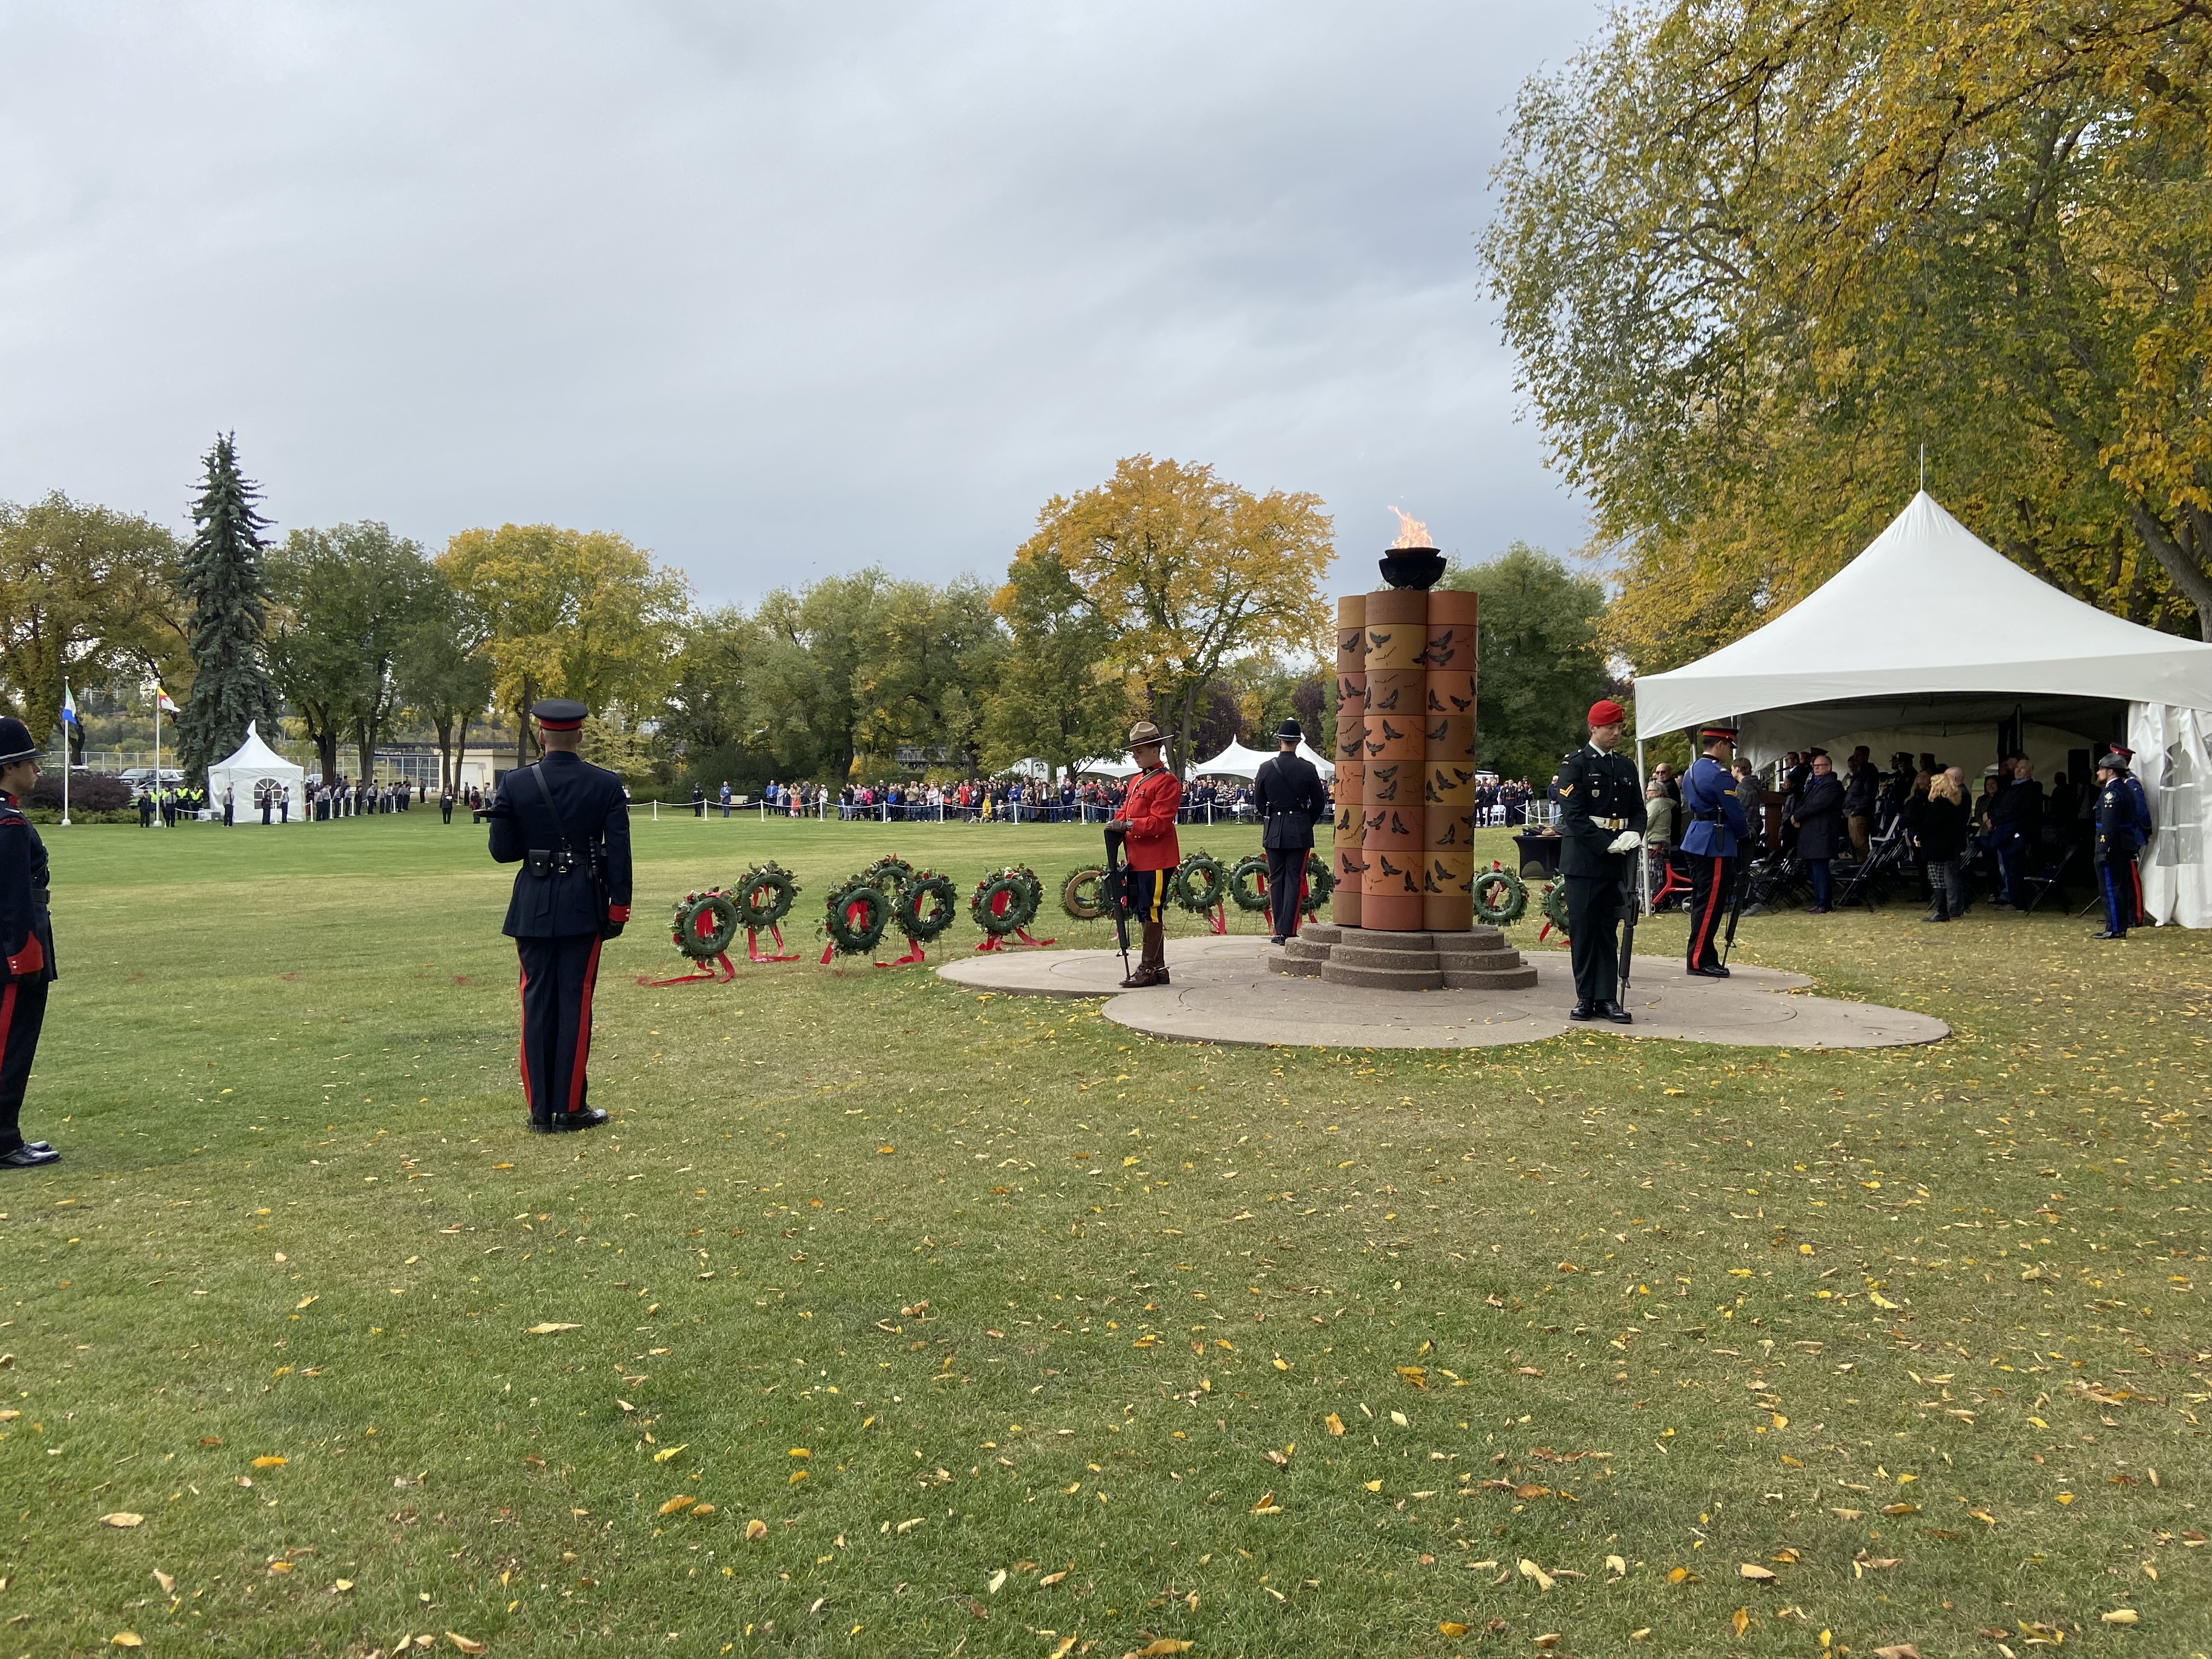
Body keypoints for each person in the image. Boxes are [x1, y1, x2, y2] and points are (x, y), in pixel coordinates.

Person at [486, 699, 633, 1133]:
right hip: (583, 905)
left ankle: (538, 1112)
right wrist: (618, 909)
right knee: (575, 1003)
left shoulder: (515, 783)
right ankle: (570, 1108)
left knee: (534, 1004)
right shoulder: (605, 784)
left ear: (543, 736)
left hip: (532, 905)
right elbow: (620, 855)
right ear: (580, 735)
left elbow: (501, 852)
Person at [1555, 700, 1646, 1022]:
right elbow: (1575, 817)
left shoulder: (1624, 767)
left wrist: (1635, 833)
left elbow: (1638, 809)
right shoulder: (1575, 765)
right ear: (1593, 728)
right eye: (1611, 728)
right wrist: (1606, 845)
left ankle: (1607, 997)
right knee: (1584, 928)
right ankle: (1585, 997)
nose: (1617, 733)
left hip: (1617, 858)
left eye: (1620, 727)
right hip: (1585, 859)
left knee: (1608, 928)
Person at [0, 719, 59, 1168]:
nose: (36, 769)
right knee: (10, 1044)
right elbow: (14, 896)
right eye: (30, 762)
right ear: (9, 767)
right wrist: (23, 956)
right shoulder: (8, 822)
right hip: (14, 948)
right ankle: (4, 1139)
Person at [1107, 720, 1182, 988]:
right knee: (1144, 911)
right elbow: (1125, 812)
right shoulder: (1137, 781)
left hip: (1157, 857)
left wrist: (1127, 826)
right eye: (1134, 751)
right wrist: (1116, 823)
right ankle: (1158, 968)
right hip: (1137, 857)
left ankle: (1148, 967)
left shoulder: (1167, 782)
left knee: (1151, 910)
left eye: (1139, 750)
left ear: (1155, 749)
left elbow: (1160, 822)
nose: (1135, 755)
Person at [1252, 718, 1329, 946]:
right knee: (1294, 879)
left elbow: (1259, 802)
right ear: (1298, 742)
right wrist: (1307, 821)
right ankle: (1288, 930)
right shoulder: (1308, 768)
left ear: (1280, 741)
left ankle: (1279, 930)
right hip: (1299, 826)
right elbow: (1319, 803)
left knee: (1276, 880)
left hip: (1274, 828)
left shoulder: (1266, 768)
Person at [1678, 725, 1748, 976]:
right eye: (1729, 746)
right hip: (1715, 841)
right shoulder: (1720, 774)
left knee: (1702, 900)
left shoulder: (1692, 770)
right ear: (1720, 744)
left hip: (1697, 836)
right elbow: (1734, 811)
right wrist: (1745, 834)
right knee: (1711, 903)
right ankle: (1699, 959)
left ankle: (1704, 954)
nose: (1730, 752)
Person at [2091, 747, 2153, 940]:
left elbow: (2109, 825)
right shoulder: (2125, 788)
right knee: (2118, 886)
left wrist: (2104, 846)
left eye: (2101, 769)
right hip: (2122, 846)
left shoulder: (2112, 793)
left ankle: (2115, 927)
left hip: (2112, 846)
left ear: (2111, 771)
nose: (2098, 773)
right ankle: (2119, 925)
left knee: (2110, 888)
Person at [1788, 751, 1847, 912]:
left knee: (1820, 869)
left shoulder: (1831, 785)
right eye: (1815, 766)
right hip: (1811, 833)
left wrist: (1797, 816)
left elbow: (1816, 804)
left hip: (1822, 833)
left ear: (1829, 767)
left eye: (1821, 766)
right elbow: (1804, 802)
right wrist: (1795, 815)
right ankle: (1819, 902)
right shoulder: (1814, 783)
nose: (1817, 768)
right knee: (1812, 870)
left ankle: (1824, 903)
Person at [1918, 766, 1971, 921]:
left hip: (1943, 844)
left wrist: (1921, 835)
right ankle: (1949, 909)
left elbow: (1932, 823)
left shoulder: (1945, 802)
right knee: (1946, 876)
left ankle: (1950, 909)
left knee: (1945, 876)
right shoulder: (1953, 800)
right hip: (1948, 843)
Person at [1843, 747, 1877, 859]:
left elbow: (1869, 794)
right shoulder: (1860, 771)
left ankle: (1865, 870)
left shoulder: (1869, 771)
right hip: (1854, 812)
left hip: (1861, 813)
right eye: (1855, 755)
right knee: (1855, 843)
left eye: (1858, 755)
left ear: (1866, 757)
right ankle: (1859, 866)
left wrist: (1857, 810)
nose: (1855, 758)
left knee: (1861, 843)